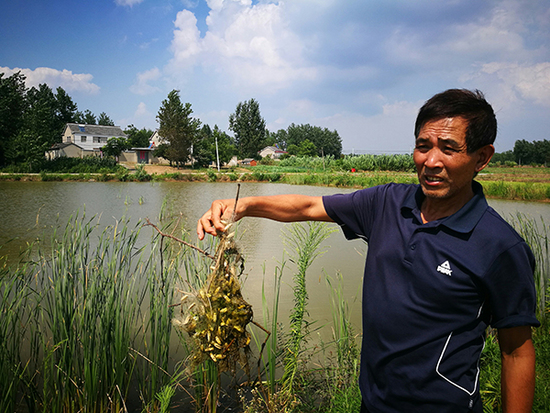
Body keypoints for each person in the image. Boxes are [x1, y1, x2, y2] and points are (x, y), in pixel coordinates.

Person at [197, 89, 539, 413]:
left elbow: (516, 352)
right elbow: (307, 206)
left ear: (482, 157)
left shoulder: (499, 246)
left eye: (448, 148)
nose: (431, 161)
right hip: (372, 404)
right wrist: (239, 206)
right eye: (423, 145)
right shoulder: (387, 203)